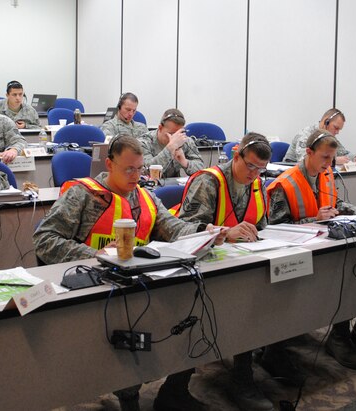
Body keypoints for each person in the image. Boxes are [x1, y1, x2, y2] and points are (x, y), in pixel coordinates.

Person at [34, 135, 218, 411]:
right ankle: (128, 395)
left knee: (192, 310)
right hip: (93, 287)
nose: (136, 176)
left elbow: (175, 228)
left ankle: (173, 390)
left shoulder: (145, 196)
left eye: (140, 169)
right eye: (128, 169)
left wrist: (211, 232)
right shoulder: (84, 195)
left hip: (138, 284)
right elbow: (44, 239)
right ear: (109, 164)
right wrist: (94, 254)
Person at [267, 129, 356, 373]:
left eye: (332, 158)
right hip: (296, 251)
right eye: (325, 158)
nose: (330, 164)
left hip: (326, 242)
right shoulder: (285, 183)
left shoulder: (325, 174)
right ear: (308, 153)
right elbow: (273, 227)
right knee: (343, 269)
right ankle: (338, 336)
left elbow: (335, 206)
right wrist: (311, 220)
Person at [175, 132, 275, 411]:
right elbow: (184, 233)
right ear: (236, 155)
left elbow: (263, 228)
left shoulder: (257, 185)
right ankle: (181, 386)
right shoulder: (208, 182)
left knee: (266, 292)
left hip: (239, 261)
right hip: (200, 264)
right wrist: (225, 233)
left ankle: (255, 363)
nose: (254, 174)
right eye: (250, 166)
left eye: (260, 169)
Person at [283, 108, 356, 166]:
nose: (337, 132)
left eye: (339, 129)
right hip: (293, 173)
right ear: (326, 122)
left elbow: (343, 152)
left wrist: (355, 157)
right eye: (336, 128)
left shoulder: (328, 137)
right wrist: (333, 160)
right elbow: (304, 159)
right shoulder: (306, 134)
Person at [138, 108, 204, 178]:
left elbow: (202, 170)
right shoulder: (143, 142)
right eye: (171, 134)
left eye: (178, 133)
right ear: (160, 128)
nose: (175, 138)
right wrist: (170, 148)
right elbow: (144, 172)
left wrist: (185, 162)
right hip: (150, 186)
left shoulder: (184, 141)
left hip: (174, 186)